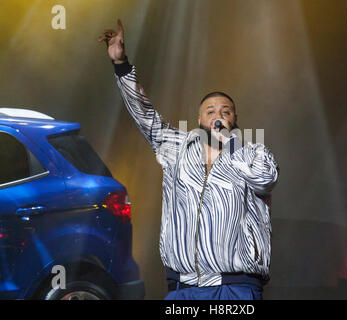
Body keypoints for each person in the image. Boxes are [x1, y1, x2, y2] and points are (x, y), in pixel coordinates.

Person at [98, 19, 279, 300]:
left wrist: (228, 142)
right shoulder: (177, 147)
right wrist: (121, 66)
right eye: (210, 111)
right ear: (198, 119)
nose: (218, 115)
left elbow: (265, 180)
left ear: (235, 119)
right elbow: (144, 114)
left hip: (235, 286)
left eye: (226, 111)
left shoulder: (253, 153)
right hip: (183, 288)